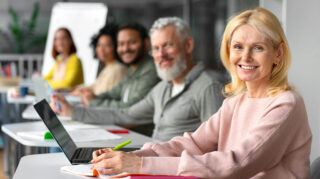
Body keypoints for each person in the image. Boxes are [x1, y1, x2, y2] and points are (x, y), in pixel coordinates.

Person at [88, 8, 319, 179]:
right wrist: (132, 155)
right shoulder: (236, 102)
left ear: (278, 54)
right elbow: (192, 143)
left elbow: (235, 165)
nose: (245, 57)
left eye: (258, 48)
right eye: (238, 47)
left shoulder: (286, 104)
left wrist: (141, 164)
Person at [51, 17, 225, 142]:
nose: (161, 54)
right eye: (156, 48)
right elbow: (126, 114)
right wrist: (72, 111)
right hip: (152, 162)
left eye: (168, 45)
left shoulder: (207, 87)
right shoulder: (164, 87)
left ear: (188, 45)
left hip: (177, 178)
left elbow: (214, 146)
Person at [81, 22, 160, 108]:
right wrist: (94, 98)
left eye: (132, 42)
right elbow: (114, 92)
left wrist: (93, 102)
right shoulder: (132, 69)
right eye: (121, 44)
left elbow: (133, 107)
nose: (125, 48)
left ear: (146, 43)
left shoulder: (151, 70)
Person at [70, 24, 128, 106]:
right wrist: (79, 90)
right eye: (99, 45)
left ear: (116, 47)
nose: (101, 49)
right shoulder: (109, 67)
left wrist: (83, 93)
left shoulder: (117, 69)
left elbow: (102, 96)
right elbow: (95, 86)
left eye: (107, 45)